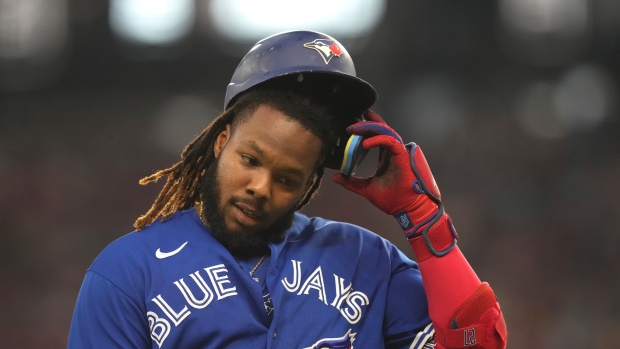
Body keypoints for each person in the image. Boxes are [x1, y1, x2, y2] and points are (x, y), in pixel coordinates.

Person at [68, 30, 507, 349]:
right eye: (250, 160)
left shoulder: (365, 261)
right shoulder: (127, 273)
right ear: (222, 141)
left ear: (310, 182)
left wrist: (424, 220)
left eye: (287, 179)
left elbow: (479, 341)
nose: (261, 188)